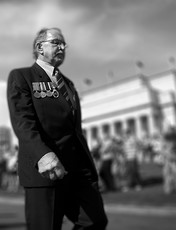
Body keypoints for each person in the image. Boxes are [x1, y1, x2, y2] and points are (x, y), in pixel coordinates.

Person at [7, 27, 108, 230]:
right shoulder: (22, 77)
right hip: (44, 169)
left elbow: (74, 129)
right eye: (56, 43)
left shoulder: (68, 84)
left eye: (64, 44)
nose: (62, 47)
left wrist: (89, 168)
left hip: (77, 170)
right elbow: (23, 121)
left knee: (95, 221)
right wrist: (42, 155)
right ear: (39, 47)